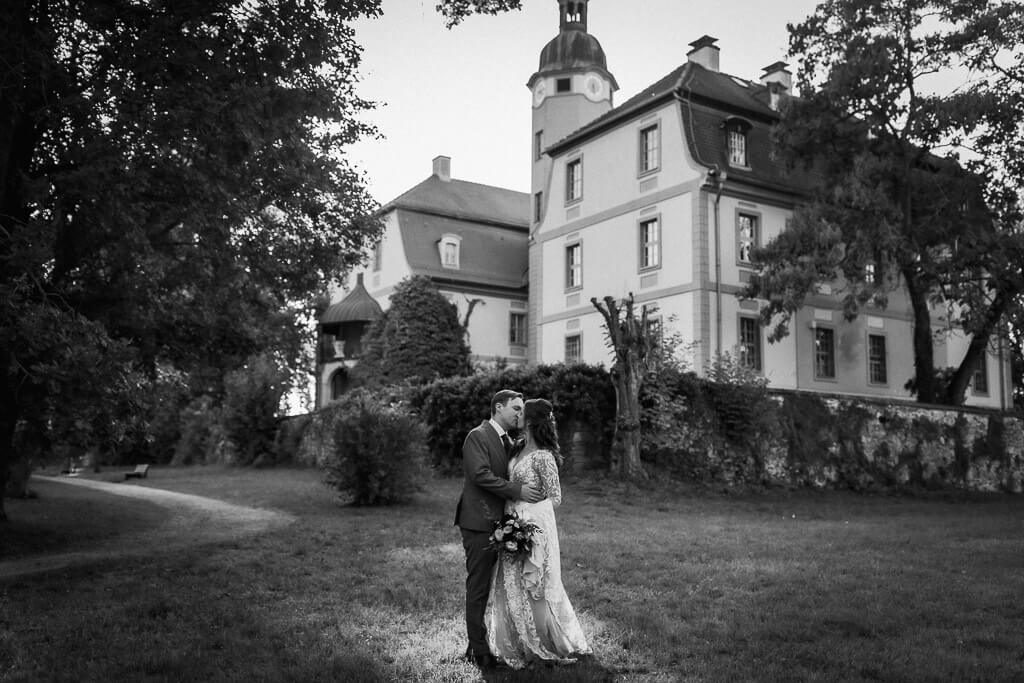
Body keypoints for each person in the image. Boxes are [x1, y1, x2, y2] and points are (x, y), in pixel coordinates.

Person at [485, 398, 590, 668]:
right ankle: (519, 642)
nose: (516, 414)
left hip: (531, 530)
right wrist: (510, 523)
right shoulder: (517, 448)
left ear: (531, 420)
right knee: (511, 584)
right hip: (509, 526)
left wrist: (526, 522)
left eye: (521, 411)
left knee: (535, 587)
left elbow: (555, 497)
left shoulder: (543, 456)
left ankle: (543, 643)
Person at [455, 389, 545, 670]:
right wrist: (518, 490)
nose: (520, 413)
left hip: (502, 524)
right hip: (478, 522)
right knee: (478, 587)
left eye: (522, 410)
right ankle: (479, 652)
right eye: (516, 408)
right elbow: (480, 475)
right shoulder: (477, 436)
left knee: (495, 587)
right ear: (498, 407)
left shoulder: (510, 441)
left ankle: (481, 645)